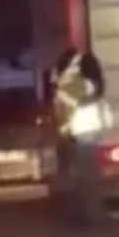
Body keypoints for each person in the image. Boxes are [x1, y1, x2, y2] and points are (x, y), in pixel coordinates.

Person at [49, 48, 108, 226]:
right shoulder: (88, 82)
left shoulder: (70, 82)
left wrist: (63, 128)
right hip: (89, 128)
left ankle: (87, 213)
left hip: (77, 130)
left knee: (81, 174)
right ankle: (92, 213)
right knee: (89, 173)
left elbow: (62, 106)